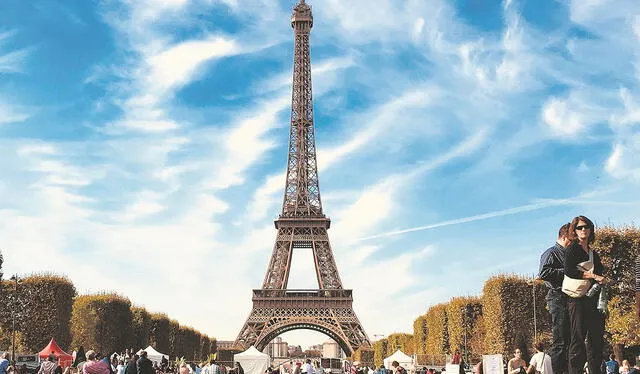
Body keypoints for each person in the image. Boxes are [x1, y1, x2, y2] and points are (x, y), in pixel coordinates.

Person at [564, 216, 609, 374]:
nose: (584, 230)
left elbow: (600, 271)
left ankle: (595, 370)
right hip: (576, 299)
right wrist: (592, 276)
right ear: (574, 231)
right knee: (578, 337)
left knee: (596, 338)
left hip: (591, 297)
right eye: (580, 227)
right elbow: (569, 271)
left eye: (587, 226)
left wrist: (601, 279)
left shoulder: (592, 253)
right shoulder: (572, 249)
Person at [539, 223, 572, 374]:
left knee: (570, 339)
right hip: (557, 296)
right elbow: (543, 273)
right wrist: (567, 271)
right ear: (564, 237)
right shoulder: (551, 253)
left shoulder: (565, 253)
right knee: (560, 340)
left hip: (568, 296)